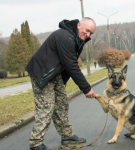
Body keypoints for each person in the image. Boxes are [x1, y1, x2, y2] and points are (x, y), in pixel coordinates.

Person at [25, 17, 96, 150]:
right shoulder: (65, 37)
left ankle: (67, 136)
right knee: (46, 107)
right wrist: (86, 89)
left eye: (91, 33)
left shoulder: (76, 39)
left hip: (54, 74)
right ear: (79, 25)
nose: (88, 35)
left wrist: (61, 83)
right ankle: (35, 143)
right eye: (87, 30)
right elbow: (71, 65)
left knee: (62, 103)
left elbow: (66, 63)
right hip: (42, 73)